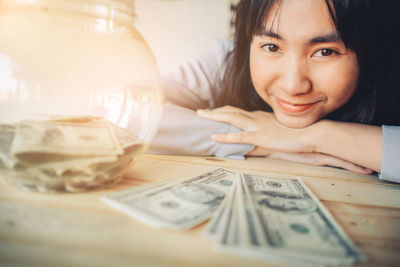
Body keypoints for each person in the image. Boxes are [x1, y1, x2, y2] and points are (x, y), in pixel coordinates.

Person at [149, 0, 400, 183]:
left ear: (371, 51)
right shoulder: (226, 61)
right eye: (271, 47)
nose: (293, 85)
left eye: (325, 51)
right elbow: (126, 113)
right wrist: (261, 141)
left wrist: (318, 138)